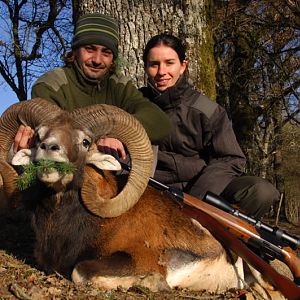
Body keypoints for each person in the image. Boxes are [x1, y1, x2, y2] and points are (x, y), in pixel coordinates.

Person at [140, 33, 279, 219]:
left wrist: (195, 198)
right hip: (150, 189)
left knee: (261, 191)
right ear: (146, 68)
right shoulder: (134, 103)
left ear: (183, 66)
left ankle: (226, 241)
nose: (161, 71)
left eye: (169, 63)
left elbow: (231, 159)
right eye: (154, 64)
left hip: (201, 190)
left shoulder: (206, 108)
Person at [13, 13, 172, 161]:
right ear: (75, 51)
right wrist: (98, 139)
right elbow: (54, 135)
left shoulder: (118, 84)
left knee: (144, 140)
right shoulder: (50, 84)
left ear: (113, 59)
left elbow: (160, 123)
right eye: (90, 49)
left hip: (107, 167)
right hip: (65, 164)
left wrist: (118, 135)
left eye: (106, 52)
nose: (97, 59)